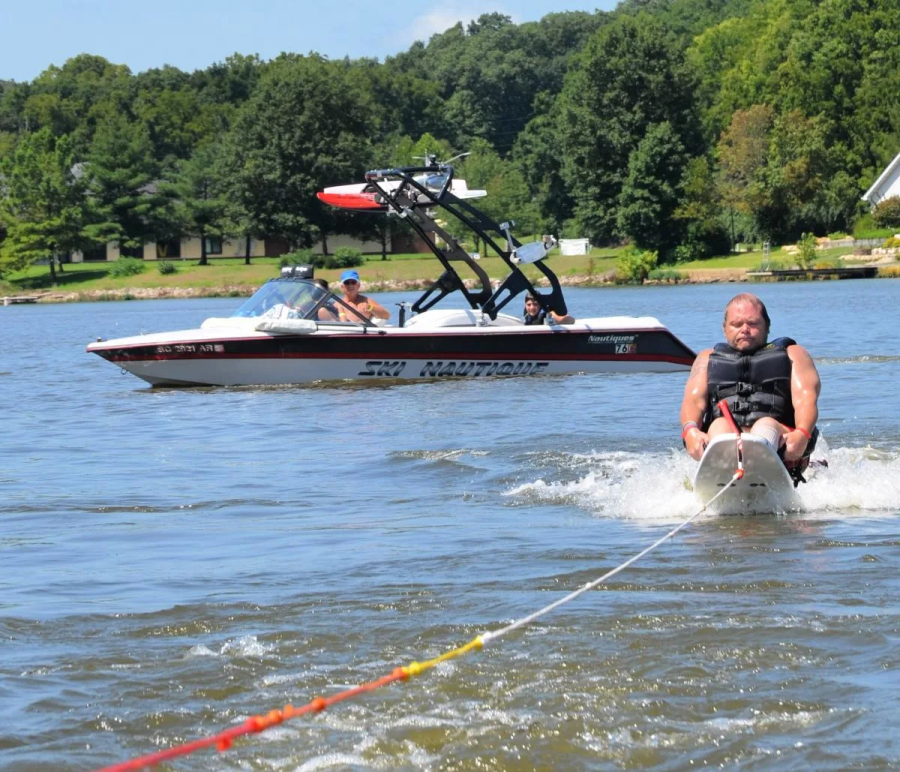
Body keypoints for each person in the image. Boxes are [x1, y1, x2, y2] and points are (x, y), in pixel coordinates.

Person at [679, 293, 820, 472]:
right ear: (725, 329)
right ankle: (725, 472)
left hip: (781, 442)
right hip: (724, 439)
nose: (745, 329)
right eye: (736, 324)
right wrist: (690, 431)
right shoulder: (706, 358)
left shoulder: (793, 354)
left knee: (765, 425)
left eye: (753, 323)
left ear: (767, 327)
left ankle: (761, 468)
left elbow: (806, 398)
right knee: (718, 425)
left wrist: (802, 433)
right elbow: (693, 400)